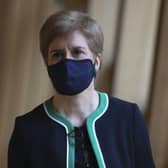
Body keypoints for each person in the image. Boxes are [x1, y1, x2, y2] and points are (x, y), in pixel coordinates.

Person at [8, 10, 155, 168]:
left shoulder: (128, 118)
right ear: (47, 64)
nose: (67, 62)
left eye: (77, 52)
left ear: (96, 62)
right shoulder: (27, 129)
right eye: (57, 54)